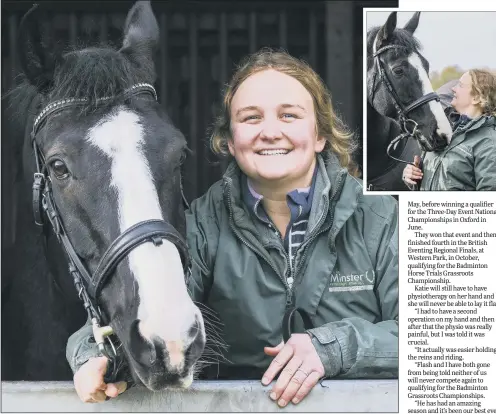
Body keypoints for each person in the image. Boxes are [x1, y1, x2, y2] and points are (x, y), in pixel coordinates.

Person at [67, 49, 399, 406]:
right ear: (229, 140)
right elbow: (145, 309)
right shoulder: (203, 223)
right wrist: (91, 356)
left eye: (289, 115)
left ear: (320, 135)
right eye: (251, 118)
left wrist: (334, 348)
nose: (270, 132)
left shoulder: (381, 216)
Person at [403, 69, 496, 190]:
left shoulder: (489, 143)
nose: (453, 89)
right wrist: (412, 176)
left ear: (476, 98)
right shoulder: (441, 129)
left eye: (460, 85)